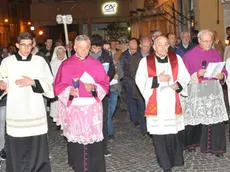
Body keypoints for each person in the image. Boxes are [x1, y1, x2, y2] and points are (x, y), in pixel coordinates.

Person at [54, 35, 109, 171]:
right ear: (74, 48)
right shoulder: (66, 64)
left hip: (92, 109)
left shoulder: (96, 64)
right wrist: (69, 91)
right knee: (78, 143)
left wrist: (94, 88)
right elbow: (58, 86)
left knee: (94, 142)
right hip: (75, 109)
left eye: (86, 48)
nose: (84, 51)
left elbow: (104, 84)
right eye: (81, 48)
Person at [0, 32, 54, 172]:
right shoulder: (7, 62)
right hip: (16, 111)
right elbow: (3, 82)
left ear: (33, 45)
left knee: (36, 146)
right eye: (22, 45)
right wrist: (2, 85)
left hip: (35, 109)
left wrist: (32, 82)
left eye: (29, 45)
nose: (26, 49)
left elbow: (49, 84)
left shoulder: (39, 61)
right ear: (17, 45)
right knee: (17, 146)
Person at [135, 36, 190, 172]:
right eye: (160, 45)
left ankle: (176, 159)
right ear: (154, 47)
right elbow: (140, 81)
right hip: (157, 102)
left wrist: (178, 85)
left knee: (173, 132)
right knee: (160, 133)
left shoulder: (176, 59)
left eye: (166, 44)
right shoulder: (145, 62)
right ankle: (165, 163)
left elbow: (185, 77)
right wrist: (157, 79)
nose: (164, 48)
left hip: (172, 100)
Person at [182, 29, 228, 157]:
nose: (209, 44)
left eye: (210, 41)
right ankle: (191, 144)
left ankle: (216, 147)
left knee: (215, 119)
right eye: (206, 41)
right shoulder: (189, 55)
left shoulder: (216, 53)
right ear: (199, 40)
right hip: (197, 89)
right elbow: (183, 76)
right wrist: (196, 74)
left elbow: (224, 70)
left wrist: (222, 75)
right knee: (195, 117)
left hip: (213, 90)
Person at [90, 34, 115, 157]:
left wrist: (106, 79)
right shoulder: (85, 56)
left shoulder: (106, 55)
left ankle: (104, 147)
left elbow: (112, 70)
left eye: (98, 48)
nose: (96, 50)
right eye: (94, 48)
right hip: (88, 93)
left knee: (103, 119)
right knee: (90, 119)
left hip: (103, 92)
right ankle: (91, 145)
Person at [130, 36, 151, 135]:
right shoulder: (135, 57)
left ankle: (151, 127)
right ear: (140, 46)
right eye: (145, 46)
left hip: (152, 86)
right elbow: (132, 72)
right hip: (140, 88)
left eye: (148, 46)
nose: (147, 48)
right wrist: (143, 80)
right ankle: (144, 129)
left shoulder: (153, 56)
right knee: (142, 108)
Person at [50, 46, 67, 127]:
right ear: (56, 54)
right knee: (57, 106)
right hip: (57, 87)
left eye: (62, 52)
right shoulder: (52, 63)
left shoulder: (68, 62)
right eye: (58, 52)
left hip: (66, 88)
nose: (61, 54)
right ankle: (59, 123)